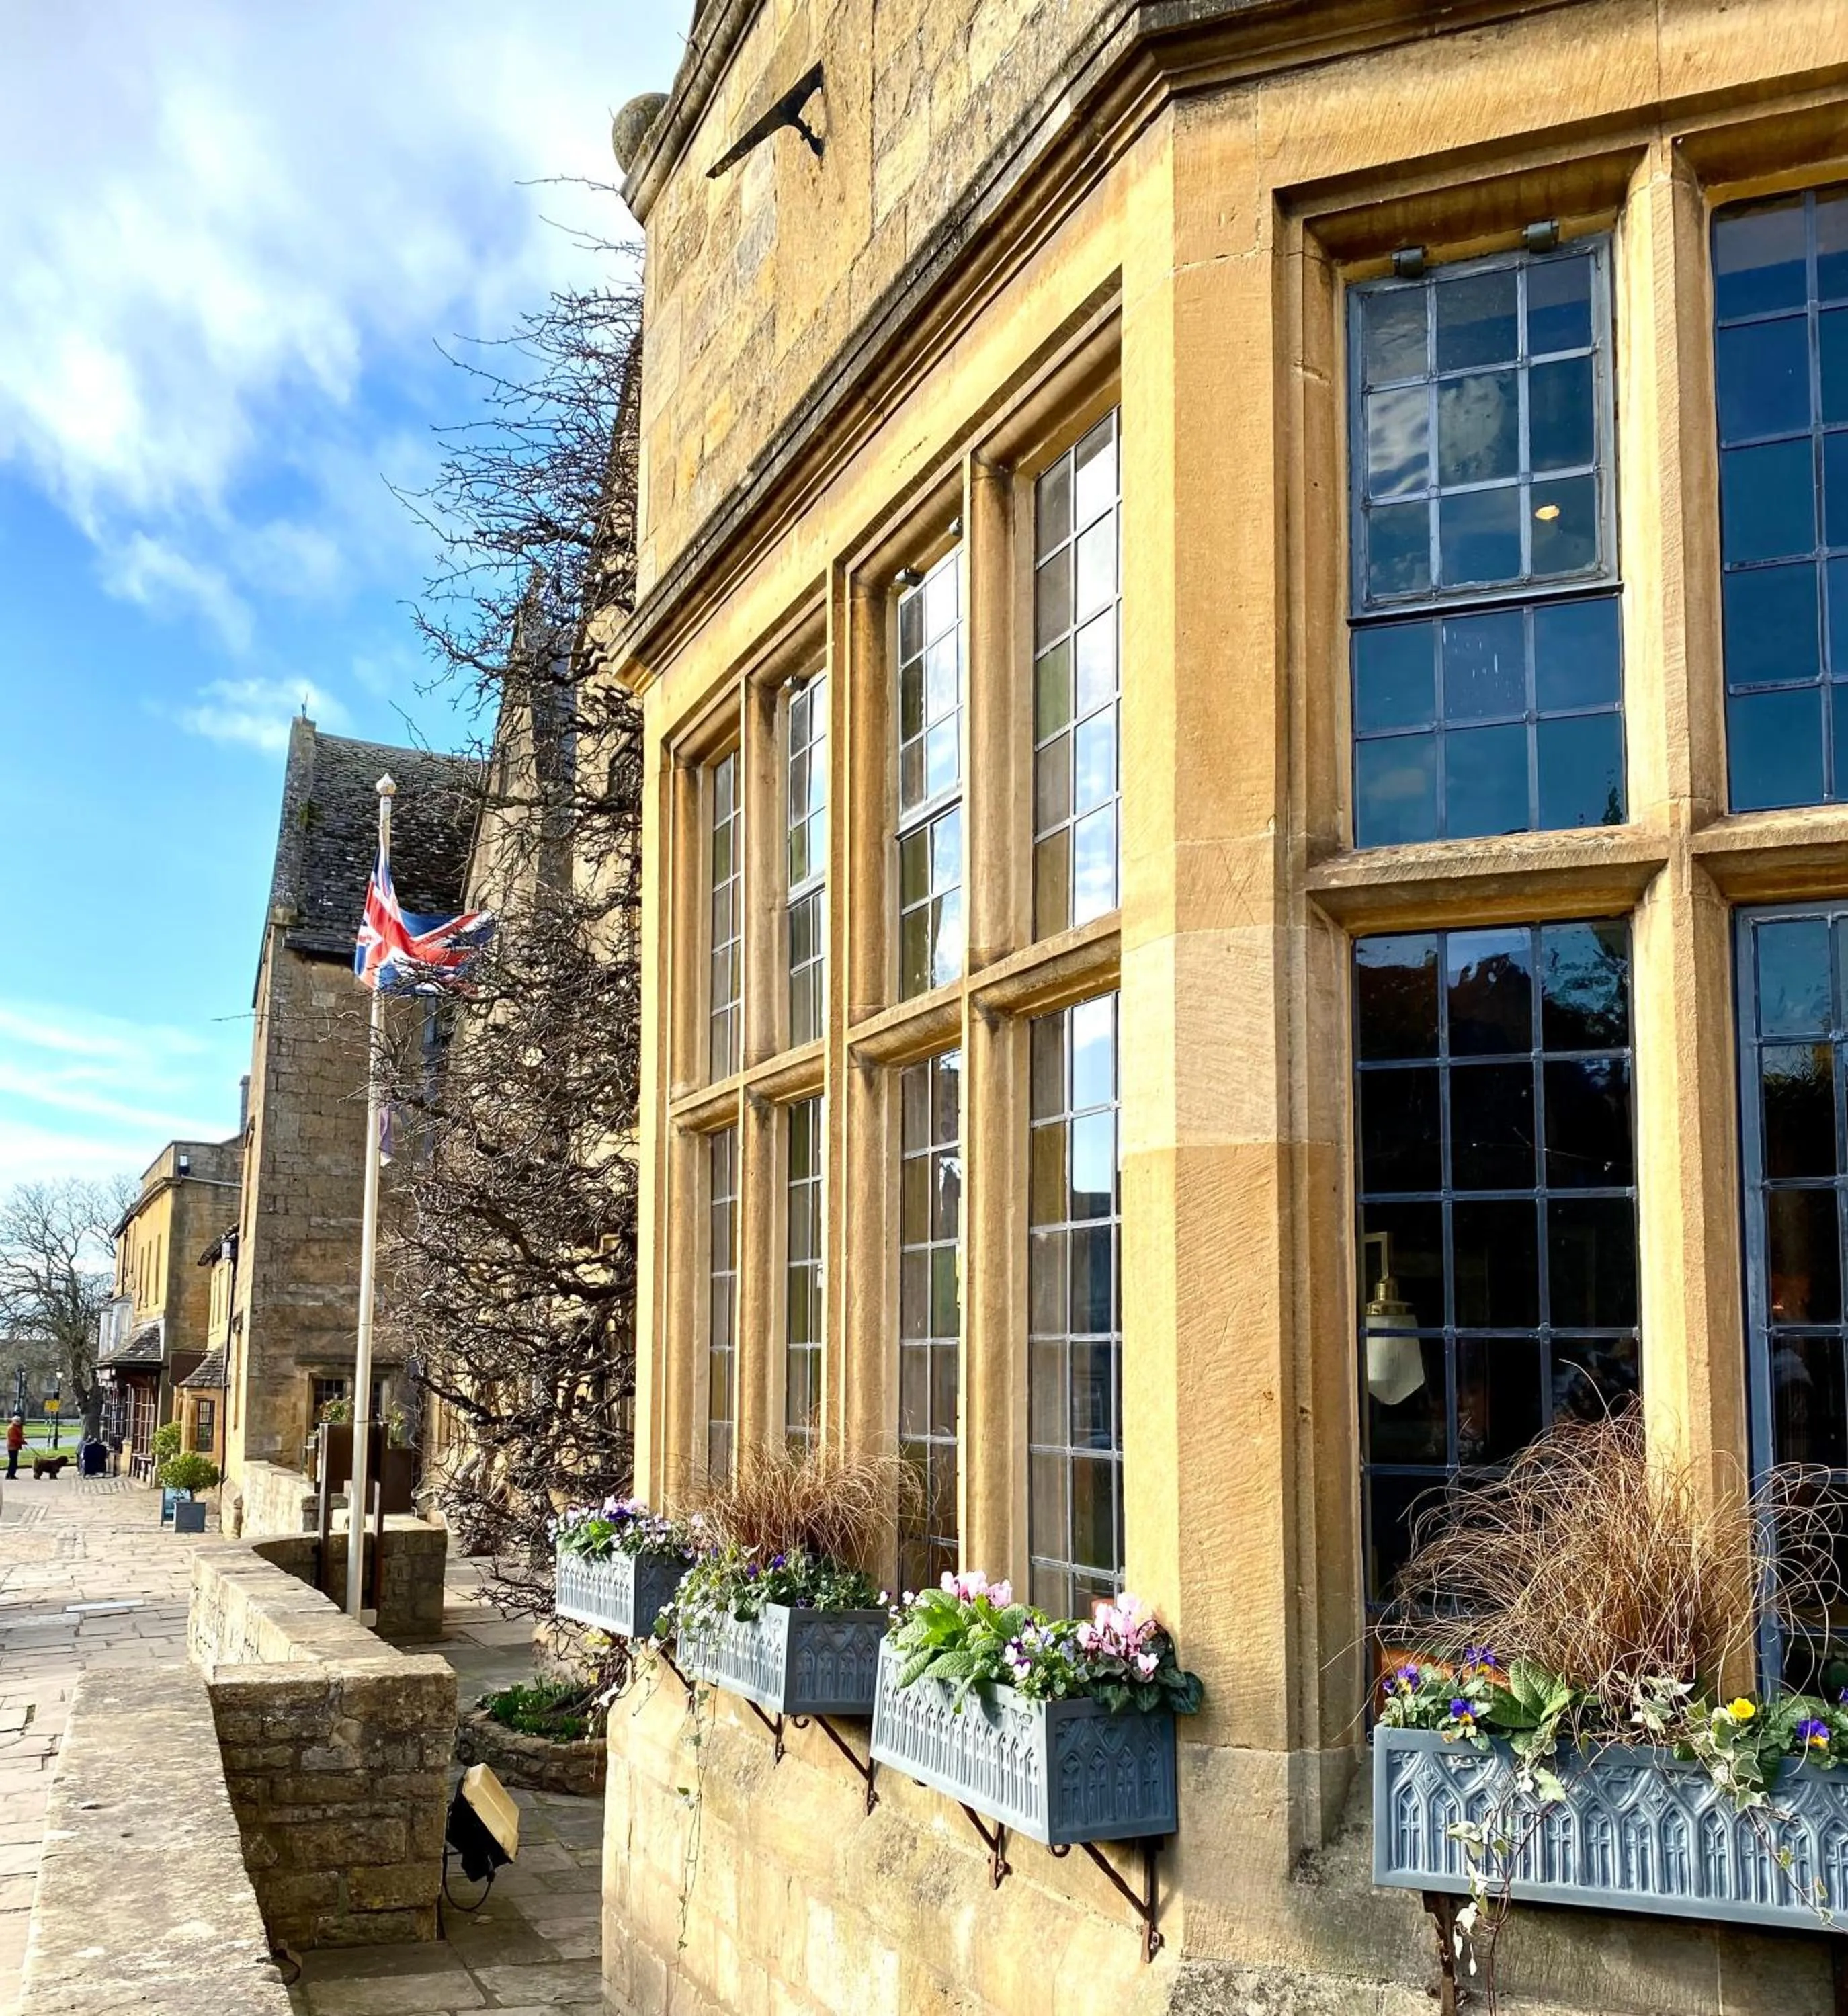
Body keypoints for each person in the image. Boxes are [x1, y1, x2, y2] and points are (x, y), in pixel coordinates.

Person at [5, 1414, 23, 1482]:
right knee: (13, 1462)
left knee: (13, 1461)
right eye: (18, 1421)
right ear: (14, 1421)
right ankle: (11, 1474)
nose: (19, 1423)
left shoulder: (15, 1427)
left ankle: (10, 1474)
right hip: (12, 1447)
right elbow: (13, 1438)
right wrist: (21, 1441)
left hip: (15, 1446)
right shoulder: (12, 1428)